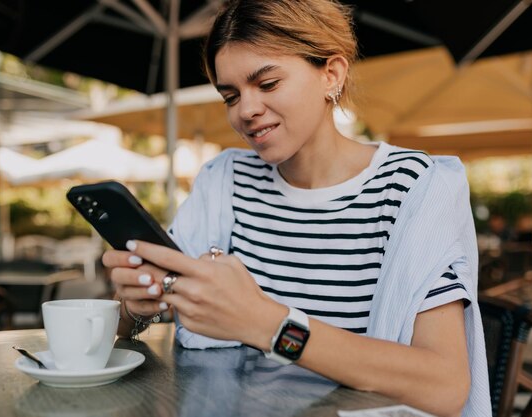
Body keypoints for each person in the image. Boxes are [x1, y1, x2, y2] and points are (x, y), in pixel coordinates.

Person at [103, 1, 490, 416]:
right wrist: (134, 307)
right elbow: (132, 327)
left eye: (267, 84)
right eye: (230, 95)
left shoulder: (412, 186)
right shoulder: (224, 182)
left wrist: (267, 324)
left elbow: (444, 385)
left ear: (332, 74)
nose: (245, 111)